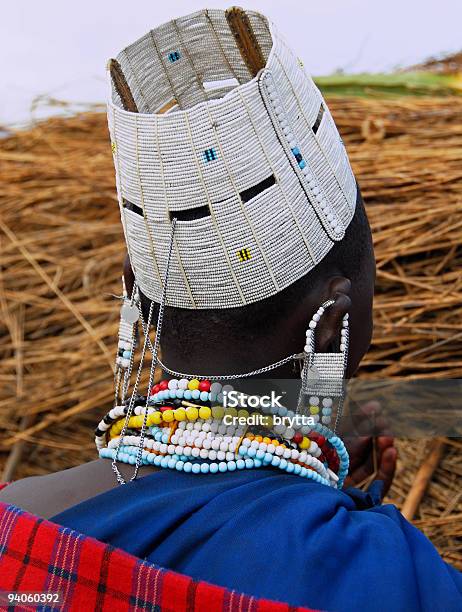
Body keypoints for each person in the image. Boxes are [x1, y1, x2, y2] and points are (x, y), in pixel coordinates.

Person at [1, 7, 461, 612]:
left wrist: (314, 485)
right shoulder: (384, 578)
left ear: (134, 291)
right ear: (332, 327)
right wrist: (346, 529)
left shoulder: (16, 521)